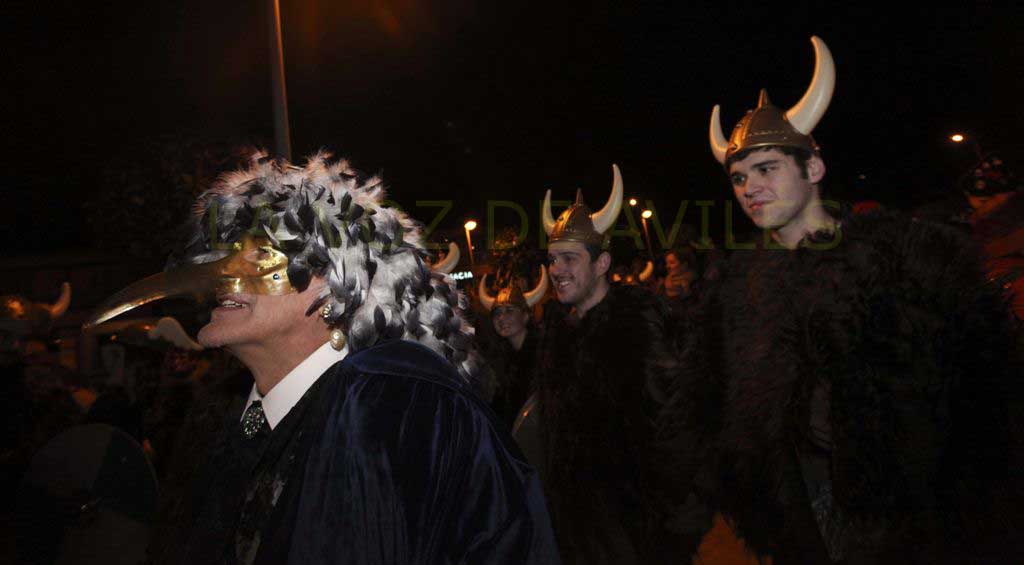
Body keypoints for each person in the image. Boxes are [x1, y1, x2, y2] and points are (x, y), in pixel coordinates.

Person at [85, 152, 559, 564]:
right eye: (222, 254)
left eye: (257, 256)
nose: (222, 276)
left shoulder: (401, 411)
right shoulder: (223, 420)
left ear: (336, 289)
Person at [698, 36, 1019, 563]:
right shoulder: (737, 289)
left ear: (813, 170)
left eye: (767, 168)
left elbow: (977, 415)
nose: (749, 187)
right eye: (738, 176)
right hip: (800, 526)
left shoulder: (901, 269)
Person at [532, 165, 701, 563]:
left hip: (636, 533)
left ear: (603, 263)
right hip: (578, 530)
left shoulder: (638, 326)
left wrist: (671, 528)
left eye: (569, 258)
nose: (556, 270)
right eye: (553, 259)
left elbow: (673, 430)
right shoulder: (558, 333)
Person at [478, 267, 547, 429]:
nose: (501, 318)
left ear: (525, 316)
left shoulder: (545, 354)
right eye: (497, 313)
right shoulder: (497, 358)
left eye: (509, 311)